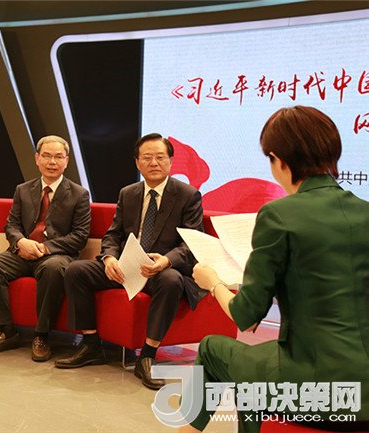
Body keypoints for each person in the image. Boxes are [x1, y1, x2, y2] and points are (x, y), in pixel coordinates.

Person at [182, 106, 369, 433]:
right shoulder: (364, 212)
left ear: (278, 160)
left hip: (319, 385)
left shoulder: (278, 215)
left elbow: (246, 316)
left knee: (213, 350)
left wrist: (213, 282)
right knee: (256, 371)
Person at [55, 133, 204, 390]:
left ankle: (147, 355)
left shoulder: (188, 195)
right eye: (147, 157)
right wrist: (109, 258)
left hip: (160, 270)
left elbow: (192, 242)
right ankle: (92, 345)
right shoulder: (128, 193)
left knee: (171, 280)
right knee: (76, 270)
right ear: (137, 162)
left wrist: (166, 261)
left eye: (160, 157)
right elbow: (113, 234)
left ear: (171, 161)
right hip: (127, 266)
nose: (154, 163)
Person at [0, 135, 91, 361]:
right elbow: (11, 225)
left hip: (55, 255)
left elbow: (80, 236)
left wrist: (45, 248)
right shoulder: (23, 189)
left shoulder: (79, 194)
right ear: (37, 159)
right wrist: (21, 242)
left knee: (53, 269)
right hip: (22, 253)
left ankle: (42, 335)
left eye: (58, 157)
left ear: (66, 161)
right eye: (46, 156)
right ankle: (6, 331)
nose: (52, 162)